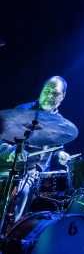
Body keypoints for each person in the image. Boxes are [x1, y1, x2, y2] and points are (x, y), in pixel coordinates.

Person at [0, 76, 74, 220]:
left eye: (55, 93)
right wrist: (10, 152)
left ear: (63, 97)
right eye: (47, 90)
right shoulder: (22, 111)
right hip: (7, 167)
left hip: (32, 174)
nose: (49, 96)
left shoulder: (60, 124)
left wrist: (60, 154)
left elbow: (56, 148)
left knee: (24, 192)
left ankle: (11, 233)